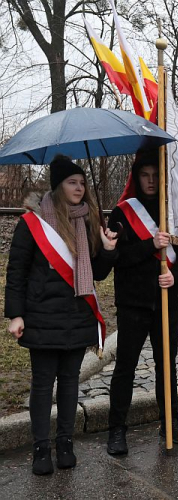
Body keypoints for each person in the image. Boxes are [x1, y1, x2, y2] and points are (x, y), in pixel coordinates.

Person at [4, 155, 118, 475]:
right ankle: (41, 447)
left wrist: (108, 248)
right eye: (72, 182)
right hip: (42, 315)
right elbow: (16, 272)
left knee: (69, 383)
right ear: (58, 187)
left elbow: (97, 273)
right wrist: (16, 314)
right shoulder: (32, 223)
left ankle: (65, 442)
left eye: (82, 182)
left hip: (77, 314)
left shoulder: (87, 221)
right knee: (43, 384)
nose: (79, 188)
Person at [105, 151, 178, 456]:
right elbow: (119, 258)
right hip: (134, 302)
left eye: (155, 176)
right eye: (144, 175)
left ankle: (170, 422)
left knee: (166, 366)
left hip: (166, 300)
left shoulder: (173, 213)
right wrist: (151, 246)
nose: (150, 181)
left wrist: (177, 278)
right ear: (136, 177)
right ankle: (117, 429)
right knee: (126, 367)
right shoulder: (122, 213)